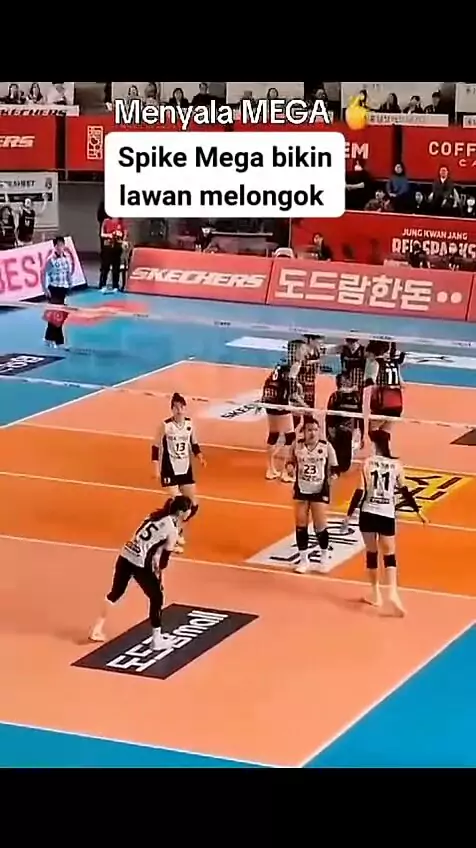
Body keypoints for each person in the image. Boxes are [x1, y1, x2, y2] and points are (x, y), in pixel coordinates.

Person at [89, 495, 192, 651]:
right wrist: (158, 572)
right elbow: (164, 560)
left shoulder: (153, 517)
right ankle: (156, 640)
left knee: (116, 593)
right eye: (188, 510)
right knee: (157, 597)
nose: (190, 512)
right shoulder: (172, 530)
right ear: (180, 512)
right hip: (140, 563)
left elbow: (145, 538)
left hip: (125, 555)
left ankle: (96, 629)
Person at [341, 430, 426, 615]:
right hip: (386, 514)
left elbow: (360, 492)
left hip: (368, 513)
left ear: (375, 445)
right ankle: (393, 592)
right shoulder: (396, 465)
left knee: (372, 553)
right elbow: (405, 491)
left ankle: (375, 593)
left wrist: (348, 516)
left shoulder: (367, 463)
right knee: (390, 554)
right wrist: (418, 511)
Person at [152, 393, 205, 552]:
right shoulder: (166, 426)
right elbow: (155, 447)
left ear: (185, 408)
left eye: (181, 407)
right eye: (176, 407)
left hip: (185, 469)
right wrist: (155, 468)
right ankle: (170, 538)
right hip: (170, 470)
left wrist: (200, 457)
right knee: (177, 505)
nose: (179, 410)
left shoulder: (189, 424)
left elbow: (194, 444)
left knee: (193, 505)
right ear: (172, 409)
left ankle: (177, 529)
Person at [285, 417, 339, 575]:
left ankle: (324, 558)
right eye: (309, 430)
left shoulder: (326, 447)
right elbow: (290, 461)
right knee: (300, 525)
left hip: (319, 490)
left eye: (315, 430)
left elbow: (335, 467)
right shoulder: (297, 445)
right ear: (303, 431)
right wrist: (290, 468)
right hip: (301, 489)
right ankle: (304, 560)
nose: (313, 433)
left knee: (320, 526)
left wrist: (333, 477)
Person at [261, 361, 295, 481]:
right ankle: (285, 472)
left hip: (269, 408)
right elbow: (289, 397)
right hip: (280, 408)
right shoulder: (285, 381)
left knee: (273, 436)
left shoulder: (269, 379)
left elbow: (264, 396)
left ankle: (270, 469)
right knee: (290, 437)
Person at [364, 342, 405, 440]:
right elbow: (402, 384)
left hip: (382, 401)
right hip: (396, 403)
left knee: (373, 431)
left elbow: (370, 380)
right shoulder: (395, 362)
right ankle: (384, 448)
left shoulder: (375, 363)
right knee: (385, 431)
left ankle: (378, 448)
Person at [326, 373, 362, 473]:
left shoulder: (356, 397)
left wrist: (360, 432)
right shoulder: (335, 396)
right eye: (340, 382)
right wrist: (329, 430)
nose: (342, 384)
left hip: (349, 431)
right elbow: (329, 415)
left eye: (345, 381)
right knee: (334, 456)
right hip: (337, 430)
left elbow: (360, 416)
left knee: (345, 462)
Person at [42, 236, 72, 349]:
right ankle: (58, 341)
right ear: (54, 246)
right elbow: (42, 273)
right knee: (56, 316)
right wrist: (45, 289)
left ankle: (49, 338)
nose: (60, 247)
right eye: (58, 245)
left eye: (62, 245)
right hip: (53, 289)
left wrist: (70, 283)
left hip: (62, 289)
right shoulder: (50, 260)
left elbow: (67, 272)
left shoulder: (66, 258)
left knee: (58, 315)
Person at [339, 337, 366, 446]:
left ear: (357, 341)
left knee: (358, 411)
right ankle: (345, 433)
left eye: (352, 342)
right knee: (344, 409)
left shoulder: (363, 351)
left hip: (359, 386)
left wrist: (356, 387)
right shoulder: (344, 350)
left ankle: (360, 437)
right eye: (349, 342)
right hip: (346, 384)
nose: (350, 344)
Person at [99, 216, 127, 293]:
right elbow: (102, 234)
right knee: (105, 267)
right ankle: (103, 285)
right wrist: (110, 235)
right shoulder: (106, 221)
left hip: (117, 248)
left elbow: (125, 235)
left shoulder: (122, 223)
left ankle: (115, 286)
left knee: (116, 268)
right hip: (107, 247)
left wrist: (123, 241)